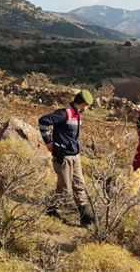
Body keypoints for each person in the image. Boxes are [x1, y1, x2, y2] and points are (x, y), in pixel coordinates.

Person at [39, 90, 95, 226]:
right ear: (83, 103)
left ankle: (85, 216)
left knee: (80, 185)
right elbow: (43, 121)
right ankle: (51, 210)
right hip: (63, 157)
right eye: (87, 105)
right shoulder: (65, 113)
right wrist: (48, 142)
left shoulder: (77, 114)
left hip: (75, 156)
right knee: (64, 188)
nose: (87, 108)